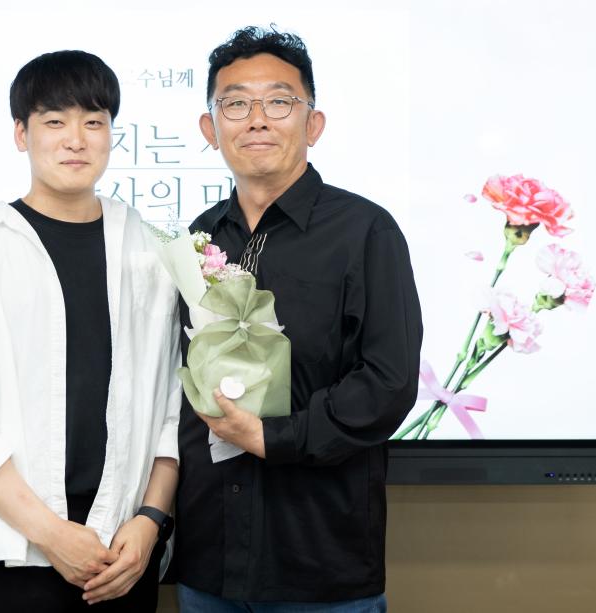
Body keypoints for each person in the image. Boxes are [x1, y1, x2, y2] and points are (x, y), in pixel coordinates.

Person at [0, 50, 180, 612]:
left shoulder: (153, 251)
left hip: (124, 554)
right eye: (55, 121)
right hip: (10, 554)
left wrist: (151, 520)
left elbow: (173, 406)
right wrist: (52, 534)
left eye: (94, 122)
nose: (76, 140)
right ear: (21, 133)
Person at [174, 27, 423, 612]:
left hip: (319, 562)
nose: (257, 120)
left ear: (313, 124)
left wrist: (271, 437)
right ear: (210, 128)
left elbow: (388, 381)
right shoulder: (197, 239)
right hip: (209, 562)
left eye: (279, 101)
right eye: (236, 104)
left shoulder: (365, 230)